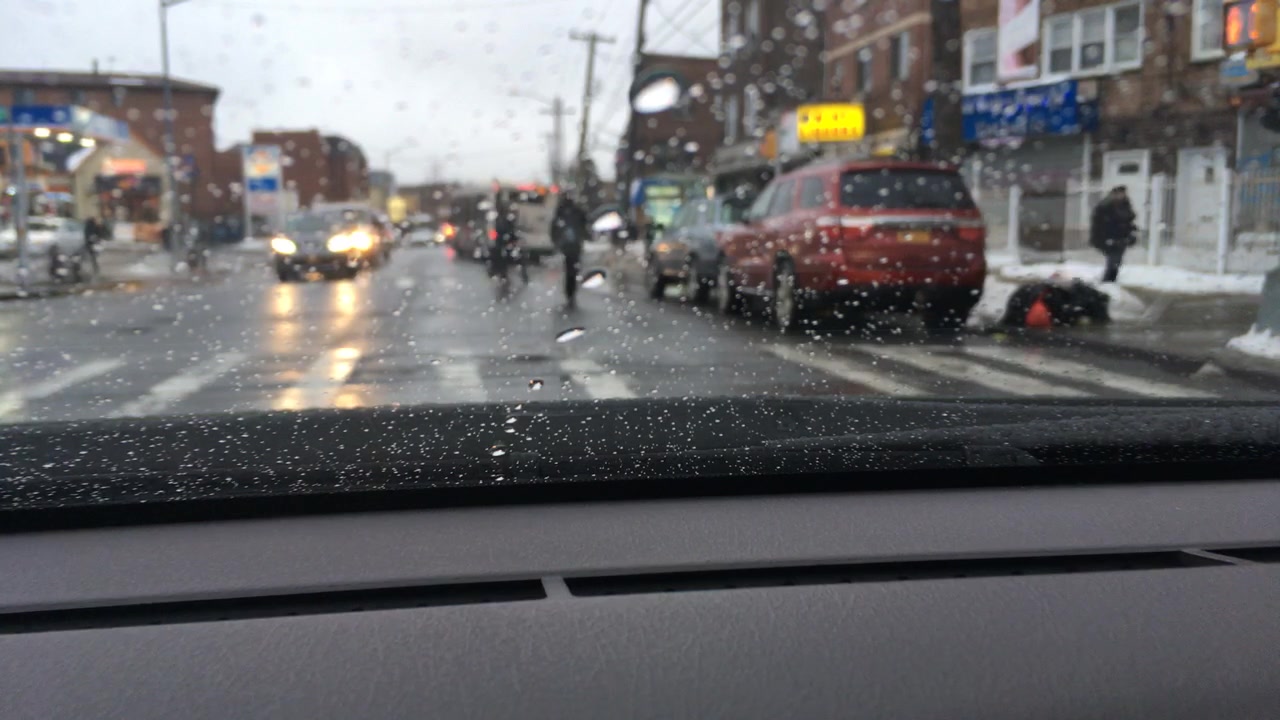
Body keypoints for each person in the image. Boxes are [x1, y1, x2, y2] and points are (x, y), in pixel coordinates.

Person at [1090, 186, 1138, 283]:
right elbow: (1098, 224)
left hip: (1121, 237)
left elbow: (1129, 220)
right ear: (1114, 194)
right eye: (1120, 193)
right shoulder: (1105, 206)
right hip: (1109, 237)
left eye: (1123, 193)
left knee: (1117, 260)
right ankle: (1107, 280)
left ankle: (1110, 280)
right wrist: (1101, 238)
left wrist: (1131, 232)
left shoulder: (1125, 205)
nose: (1122, 195)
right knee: (1113, 260)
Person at [553, 191, 588, 305]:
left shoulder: (562, 211)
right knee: (573, 268)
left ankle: (569, 291)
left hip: (569, 245)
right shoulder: (576, 211)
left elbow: (555, 226)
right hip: (574, 244)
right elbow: (584, 225)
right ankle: (571, 291)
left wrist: (556, 240)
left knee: (569, 268)